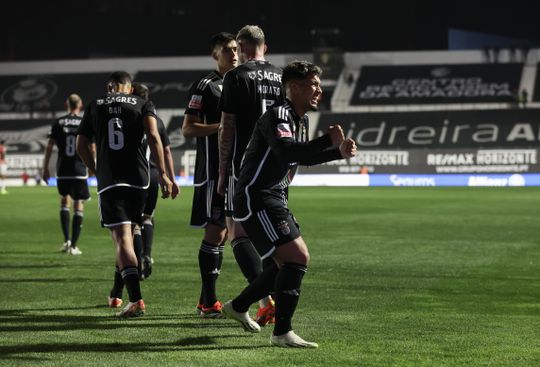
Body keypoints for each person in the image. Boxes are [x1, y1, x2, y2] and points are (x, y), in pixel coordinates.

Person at [221, 61, 357, 348]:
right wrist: (327, 141)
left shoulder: (299, 119)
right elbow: (286, 153)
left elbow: (300, 158)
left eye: (319, 84)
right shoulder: (279, 115)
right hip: (257, 196)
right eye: (314, 84)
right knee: (297, 257)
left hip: (274, 196)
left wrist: (338, 152)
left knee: (282, 265)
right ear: (294, 87)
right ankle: (282, 332)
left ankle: (238, 305)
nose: (319, 90)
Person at [76, 71, 175, 318]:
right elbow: (153, 136)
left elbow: (81, 144)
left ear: (110, 87)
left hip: (111, 180)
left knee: (122, 241)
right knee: (129, 236)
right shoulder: (143, 103)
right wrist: (163, 174)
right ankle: (117, 293)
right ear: (130, 89)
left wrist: (93, 168)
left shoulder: (95, 104)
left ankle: (136, 300)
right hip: (140, 180)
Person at [217, 25, 284, 325]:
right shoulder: (283, 76)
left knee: (237, 231)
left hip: (243, 167)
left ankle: (263, 299)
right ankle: (272, 298)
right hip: (276, 165)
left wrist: (222, 171)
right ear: (264, 48)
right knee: (272, 236)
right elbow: (294, 121)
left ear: (241, 49)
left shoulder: (235, 77)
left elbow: (226, 128)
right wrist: (291, 165)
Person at [182, 32, 237, 318]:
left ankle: (206, 298)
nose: (234, 54)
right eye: (227, 50)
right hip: (212, 171)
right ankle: (209, 302)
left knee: (225, 233)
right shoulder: (205, 85)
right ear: (215, 54)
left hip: (235, 171)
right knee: (216, 232)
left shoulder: (241, 83)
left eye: (237, 49)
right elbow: (188, 128)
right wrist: (222, 128)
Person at [132, 82, 179, 280]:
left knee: (134, 224)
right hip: (153, 174)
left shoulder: (130, 117)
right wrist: (170, 177)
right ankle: (148, 254)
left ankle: (136, 262)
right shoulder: (157, 121)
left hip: (135, 174)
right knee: (148, 217)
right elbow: (167, 150)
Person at [43, 94, 91, 255]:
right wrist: (93, 166)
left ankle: (66, 241)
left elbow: (49, 146)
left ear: (66, 104)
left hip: (63, 170)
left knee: (64, 202)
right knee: (79, 204)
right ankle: (74, 246)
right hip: (79, 170)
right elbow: (92, 147)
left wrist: (45, 168)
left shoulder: (58, 122)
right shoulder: (84, 122)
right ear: (81, 105)